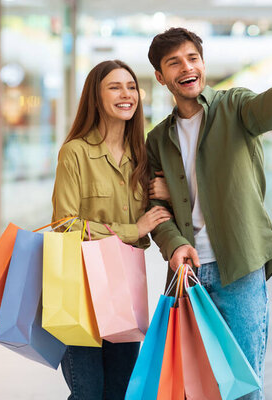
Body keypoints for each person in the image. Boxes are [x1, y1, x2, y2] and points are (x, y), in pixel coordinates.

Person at [146, 27, 272, 399]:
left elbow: (264, 110)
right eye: (174, 63)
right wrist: (174, 244)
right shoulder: (158, 139)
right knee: (193, 387)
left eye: (192, 58)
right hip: (188, 275)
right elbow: (155, 206)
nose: (186, 67)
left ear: (203, 64)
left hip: (240, 270)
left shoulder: (234, 106)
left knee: (242, 388)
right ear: (161, 77)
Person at [51, 60, 171, 399]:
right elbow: (65, 223)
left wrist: (165, 196)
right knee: (88, 391)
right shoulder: (75, 152)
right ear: (96, 96)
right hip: (79, 289)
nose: (126, 94)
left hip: (124, 288)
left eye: (131, 87)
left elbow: (159, 213)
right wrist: (132, 229)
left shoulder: (142, 156)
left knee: (120, 389)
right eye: (115, 87)